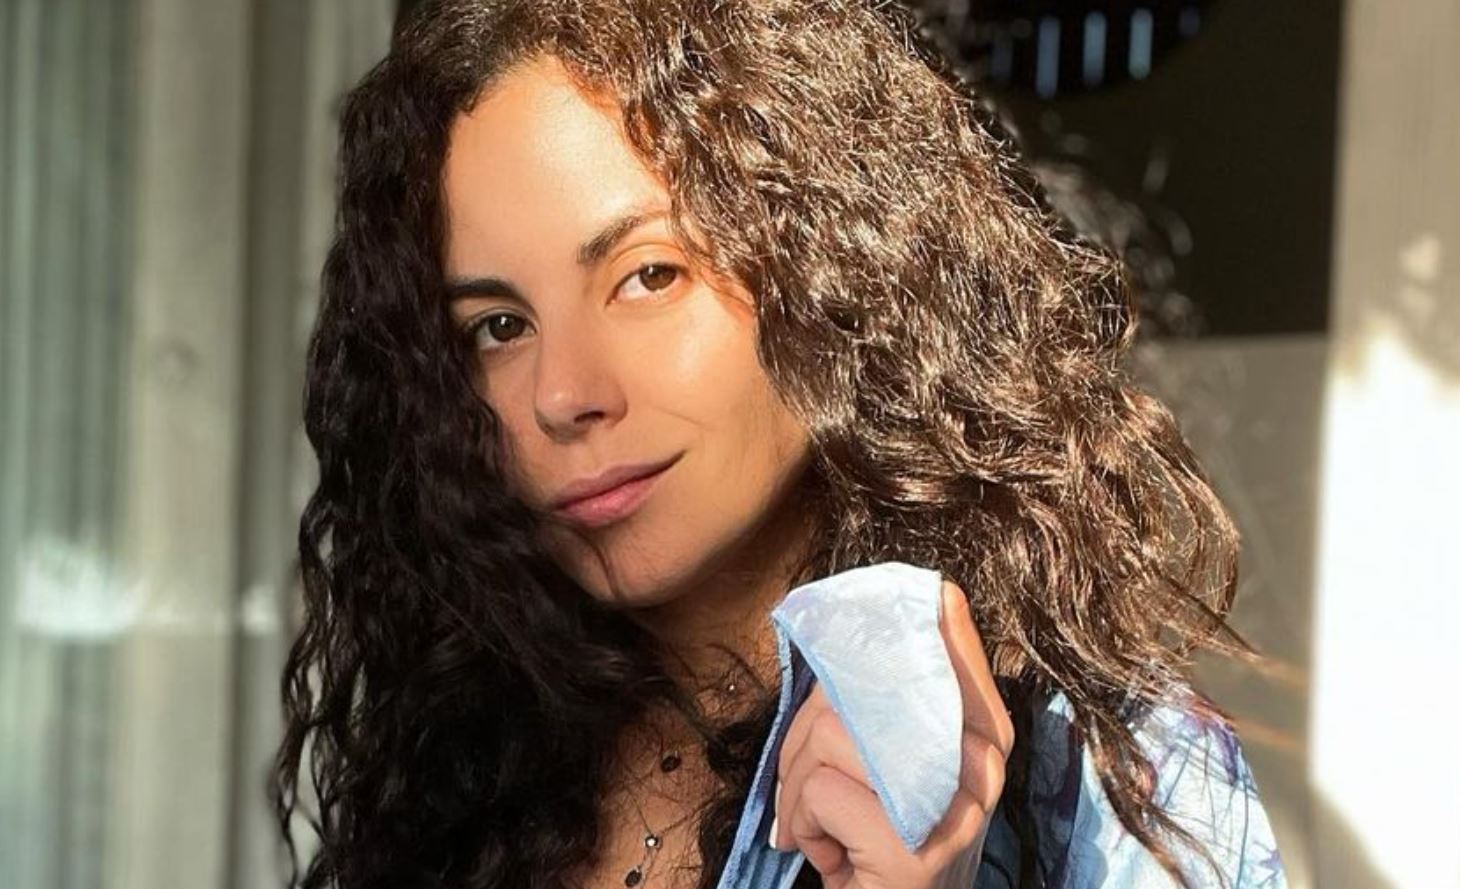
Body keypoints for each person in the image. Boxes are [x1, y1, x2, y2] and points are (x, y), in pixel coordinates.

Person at [271, 1, 1289, 887]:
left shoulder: (1122, 778)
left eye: (648, 275)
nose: (562, 395)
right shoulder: (465, 751)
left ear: (829, 273)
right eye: (498, 327)